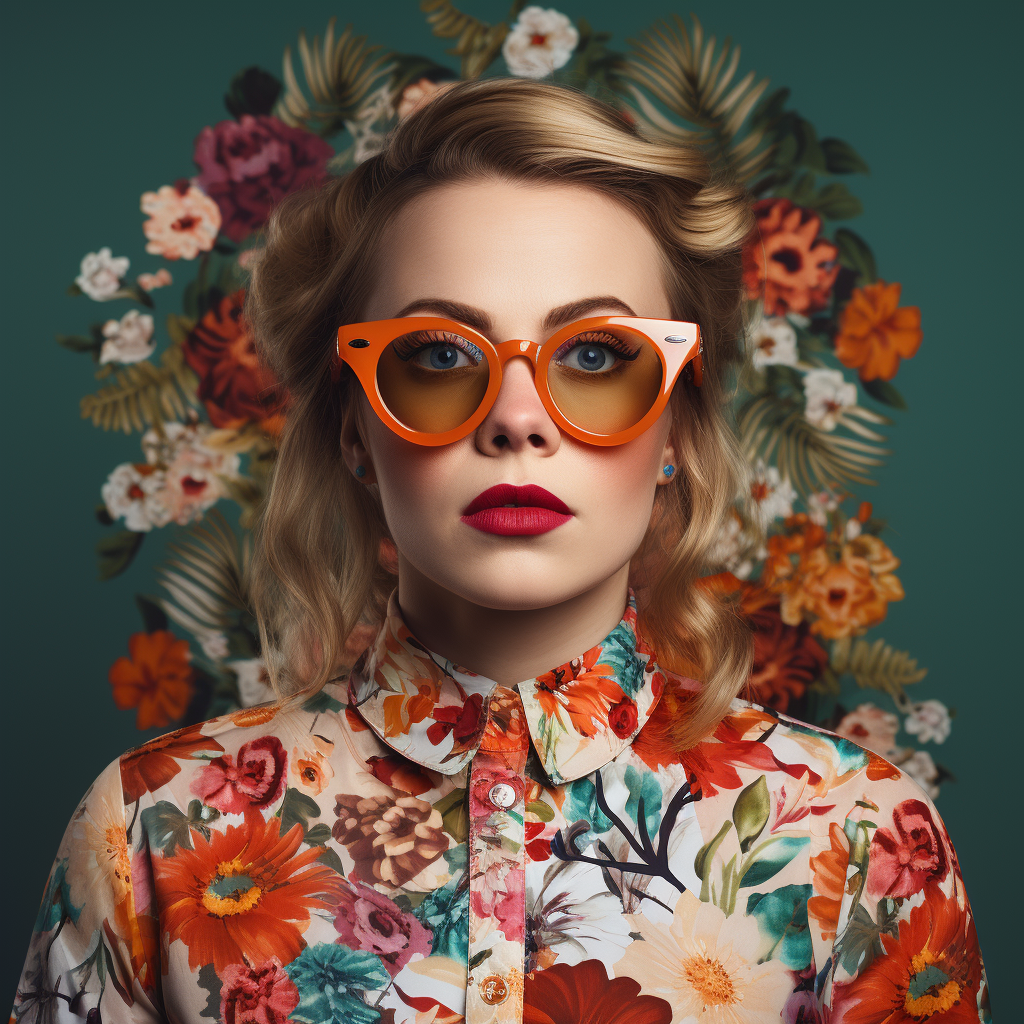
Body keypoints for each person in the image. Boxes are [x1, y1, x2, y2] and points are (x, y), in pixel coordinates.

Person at [12, 79, 989, 1024]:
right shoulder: (150, 824)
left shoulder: (857, 835)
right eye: (439, 356)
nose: (518, 420)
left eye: (597, 355)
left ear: (677, 428)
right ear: (355, 428)